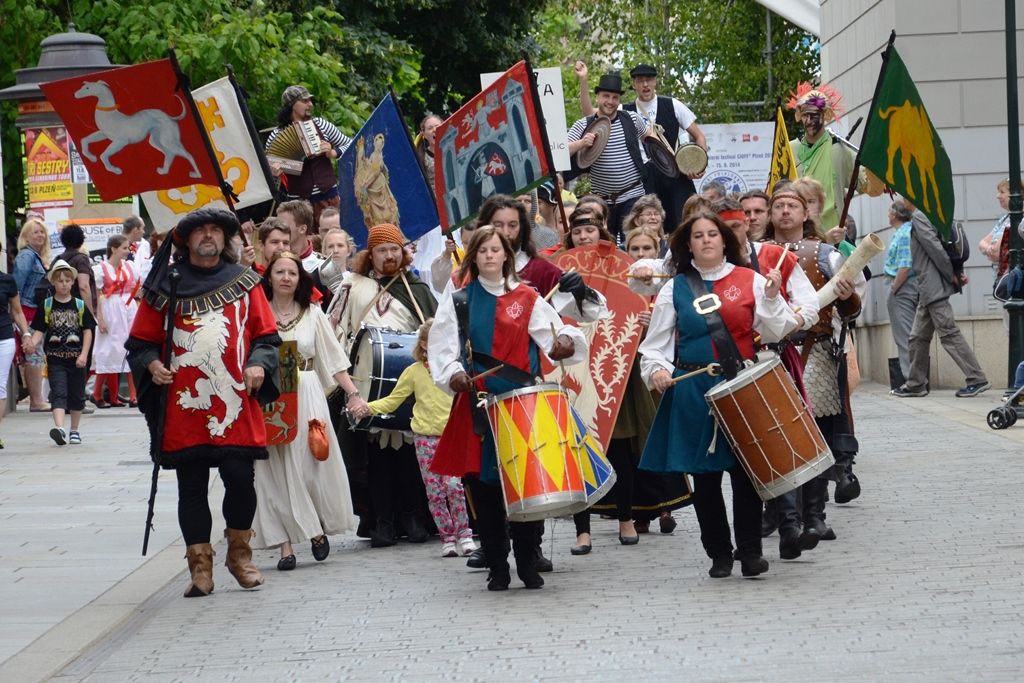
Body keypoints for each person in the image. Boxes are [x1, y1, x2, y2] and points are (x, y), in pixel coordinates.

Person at [126, 207, 281, 598]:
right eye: (200, 231)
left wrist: (259, 366)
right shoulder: (165, 285)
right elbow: (139, 342)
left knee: (240, 480)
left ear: (223, 238)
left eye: (215, 230)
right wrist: (153, 363)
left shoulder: (246, 282)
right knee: (191, 487)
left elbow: (266, 338)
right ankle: (200, 567)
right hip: (185, 406)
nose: (208, 235)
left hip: (233, 399)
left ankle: (239, 556)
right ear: (186, 239)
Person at [638, 213, 799, 578]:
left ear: (725, 240)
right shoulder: (673, 288)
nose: (707, 240)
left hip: (741, 385)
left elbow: (778, 329)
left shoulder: (751, 280)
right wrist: (659, 371)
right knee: (705, 480)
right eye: (698, 235)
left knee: (747, 474)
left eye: (713, 234)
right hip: (694, 389)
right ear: (688, 243)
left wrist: (772, 297)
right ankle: (719, 554)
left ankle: (750, 551)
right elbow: (655, 346)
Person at [428, 227, 588, 590]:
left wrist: (563, 343)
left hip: (524, 403)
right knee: (485, 491)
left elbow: (554, 335)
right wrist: (454, 375)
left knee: (528, 486)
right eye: (481, 250)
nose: (488, 255)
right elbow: (443, 349)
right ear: (473, 256)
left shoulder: (527, 297)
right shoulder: (460, 300)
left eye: (495, 249)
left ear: (506, 255)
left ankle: (528, 561)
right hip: (480, 404)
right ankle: (497, 566)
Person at [763, 187, 863, 547]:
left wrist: (848, 294)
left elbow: (851, 313)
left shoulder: (826, 254)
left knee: (816, 435)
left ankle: (815, 516)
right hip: (769, 353)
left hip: (815, 350)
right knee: (776, 434)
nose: (785, 211)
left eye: (793, 205)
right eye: (779, 206)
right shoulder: (757, 254)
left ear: (806, 214)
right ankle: (782, 512)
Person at [252, 251, 365, 571]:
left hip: (306, 388)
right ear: (269, 277)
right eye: (280, 272)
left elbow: (334, 358)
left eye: (292, 272)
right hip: (273, 393)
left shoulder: (312, 313)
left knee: (307, 464)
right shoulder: (257, 313)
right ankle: (285, 546)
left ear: (300, 278)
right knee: (275, 471)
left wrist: (353, 394)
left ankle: (314, 527)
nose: (286, 277)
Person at [328, 223, 438, 548]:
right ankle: (382, 522)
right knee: (375, 458)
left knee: (409, 456)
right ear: (370, 254)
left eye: (394, 249)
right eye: (382, 250)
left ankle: (415, 518)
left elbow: (435, 332)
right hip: (365, 385)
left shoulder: (417, 289)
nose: (389, 255)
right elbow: (332, 331)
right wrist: (348, 375)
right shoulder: (351, 286)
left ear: (403, 252)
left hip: (410, 383)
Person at [353, 319, 477, 558]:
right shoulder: (413, 372)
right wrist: (367, 408)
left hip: (451, 438)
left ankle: (465, 535)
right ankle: (448, 538)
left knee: (455, 488)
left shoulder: (455, 370)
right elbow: (393, 400)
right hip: (424, 439)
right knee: (435, 493)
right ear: (423, 344)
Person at [892, 208, 990, 399]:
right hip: (928, 286)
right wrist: (954, 272)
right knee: (917, 337)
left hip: (933, 285)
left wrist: (951, 274)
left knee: (949, 334)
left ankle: (977, 378)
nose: (902, 197)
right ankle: (915, 384)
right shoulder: (933, 213)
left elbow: (935, 248)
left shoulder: (920, 216)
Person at [567, 72, 651, 239]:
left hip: (633, 194)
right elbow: (561, 152)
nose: (610, 102)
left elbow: (651, 139)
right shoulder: (584, 124)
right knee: (606, 247)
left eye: (615, 97)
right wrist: (581, 143)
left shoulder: (632, 119)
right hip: (601, 202)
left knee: (634, 241)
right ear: (597, 96)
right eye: (606, 96)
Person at [25, 260, 96, 446]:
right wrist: (31, 342)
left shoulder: (79, 305)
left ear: (72, 282)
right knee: (58, 393)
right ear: (53, 283)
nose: (64, 284)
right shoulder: (47, 305)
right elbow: (39, 331)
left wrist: (84, 354)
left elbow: (88, 330)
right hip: (55, 359)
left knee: (77, 395)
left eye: (67, 280)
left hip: (77, 359)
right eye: (60, 280)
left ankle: (74, 430)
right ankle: (60, 428)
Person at [267, 85, 352, 230]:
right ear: (292, 105)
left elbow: (351, 144)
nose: (310, 104)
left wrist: (333, 153)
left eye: (310, 101)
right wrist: (274, 172)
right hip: (297, 205)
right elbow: (270, 172)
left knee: (333, 240)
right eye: (305, 101)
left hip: (328, 198)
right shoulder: (276, 135)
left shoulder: (321, 124)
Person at [787, 82, 867, 232]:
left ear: (824, 116)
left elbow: (864, 183)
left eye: (814, 115)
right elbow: (778, 186)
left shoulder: (839, 149)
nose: (809, 121)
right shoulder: (790, 149)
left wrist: (880, 174)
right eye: (805, 115)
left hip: (832, 231)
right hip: (796, 231)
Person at [91, 235, 140, 409]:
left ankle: (133, 395)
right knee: (111, 350)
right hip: (111, 307)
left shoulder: (129, 266)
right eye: (125, 248)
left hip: (128, 306)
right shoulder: (101, 269)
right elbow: (97, 295)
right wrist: (101, 318)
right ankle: (98, 394)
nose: (128, 251)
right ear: (113, 248)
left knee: (131, 348)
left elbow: (137, 287)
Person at [12, 219, 51, 411]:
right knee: (33, 354)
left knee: (34, 354)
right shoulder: (27, 256)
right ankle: (36, 400)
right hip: (26, 309)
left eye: (42, 232)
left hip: (33, 309)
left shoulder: (34, 256)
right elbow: (16, 288)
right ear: (26, 236)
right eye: (35, 232)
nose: (40, 235)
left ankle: (37, 399)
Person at [0, 244, 33, 447]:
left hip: (3, 337)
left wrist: (26, 334)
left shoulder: (6, 280)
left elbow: (17, 311)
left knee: (0, 385)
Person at [884, 198, 918, 383]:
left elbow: (905, 265)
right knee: (907, 335)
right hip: (902, 284)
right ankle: (913, 378)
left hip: (902, 286)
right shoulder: (903, 231)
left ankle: (911, 379)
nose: (888, 215)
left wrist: (894, 287)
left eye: (890, 211)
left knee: (904, 335)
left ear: (896, 215)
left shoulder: (905, 233)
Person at [53, 224, 98, 320]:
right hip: (78, 310)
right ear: (81, 240)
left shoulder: (57, 259)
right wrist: (89, 314)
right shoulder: (81, 259)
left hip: (59, 310)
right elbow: (84, 286)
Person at [277, 200, 325, 273]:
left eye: (283, 225)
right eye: (277, 225)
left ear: (302, 229)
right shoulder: (273, 261)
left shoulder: (323, 266)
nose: (278, 230)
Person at [414, 113, 443, 195]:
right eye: (430, 128)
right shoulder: (420, 158)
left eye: (437, 126)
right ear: (424, 134)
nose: (434, 130)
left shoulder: (456, 150)